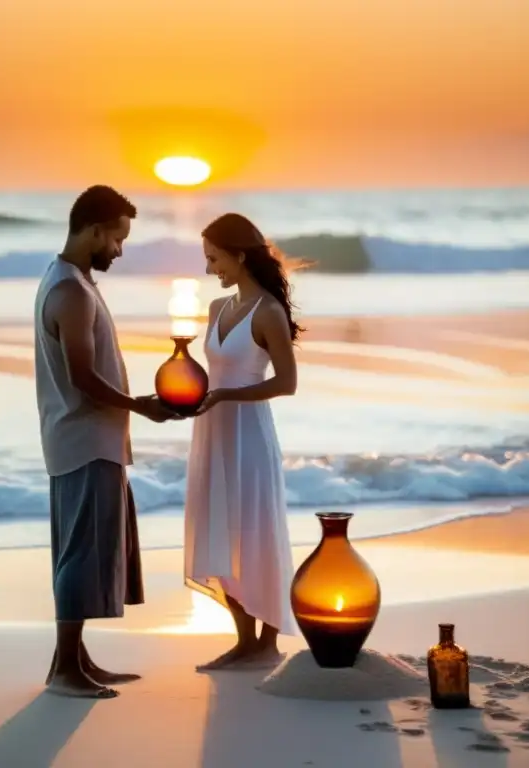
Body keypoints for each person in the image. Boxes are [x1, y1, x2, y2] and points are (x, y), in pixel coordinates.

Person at [35, 184, 180, 699]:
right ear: (94, 230)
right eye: (116, 239)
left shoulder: (71, 280)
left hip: (86, 439)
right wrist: (139, 405)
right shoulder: (71, 291)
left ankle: (70, 662)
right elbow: (81, 378)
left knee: (82, 551)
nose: (119, 249)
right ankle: (67, 673)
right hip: (84, 440)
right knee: (79, 557)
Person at [184, 212, 305, 671]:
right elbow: (212, 372)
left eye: (213, 258)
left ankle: (266, 641)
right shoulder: (217, 310)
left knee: (255, 529)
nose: (209, 267)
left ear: (237, 256)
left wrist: (227, 395)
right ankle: (243, 640)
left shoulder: (268, 312)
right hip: (212, 430)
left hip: (249, 433)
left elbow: (287, 382)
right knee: (220, 524)